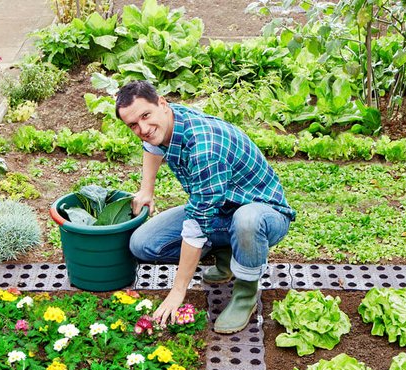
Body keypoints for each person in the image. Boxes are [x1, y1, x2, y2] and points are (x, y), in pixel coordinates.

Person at [115, 80, 295, 334]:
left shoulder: (204, 147)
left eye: (146, 116)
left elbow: (198, 222)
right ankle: (227, 253)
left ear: (162, 104)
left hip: (264, 214)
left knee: (246, 221)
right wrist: (146, 189)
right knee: (143, 244)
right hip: (221, 208)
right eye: (133, 124)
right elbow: (151, 144)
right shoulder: (169, 119)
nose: (143, 128)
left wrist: (178, 291)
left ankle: (245, 295)